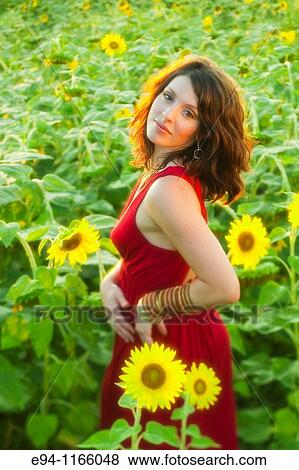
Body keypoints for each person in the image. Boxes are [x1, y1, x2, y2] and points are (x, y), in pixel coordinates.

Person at [99, 54, 255, 449]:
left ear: (202, 132)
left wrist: (153, 303)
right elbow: (150, 249)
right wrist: (110, 280)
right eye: (168, 97)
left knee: (162, 447)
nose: (167, 115)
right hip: (153, 331)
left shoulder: (169, 190)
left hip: (175, 341)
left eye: (188, 113)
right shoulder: (159, 170)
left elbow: (225, 286)